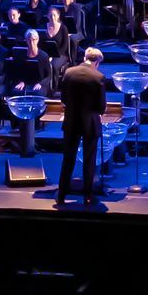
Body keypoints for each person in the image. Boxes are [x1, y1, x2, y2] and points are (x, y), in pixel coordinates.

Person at [56, 47, 108, 207]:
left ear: (85, 57)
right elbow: (101, 107)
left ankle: (61, 195)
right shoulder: (98, 77)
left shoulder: (69, 72)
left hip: (71, 121)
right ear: (97, 62)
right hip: (89, 123)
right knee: (89, 160)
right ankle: (87, 197)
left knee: (68, 158)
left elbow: (63, 99)